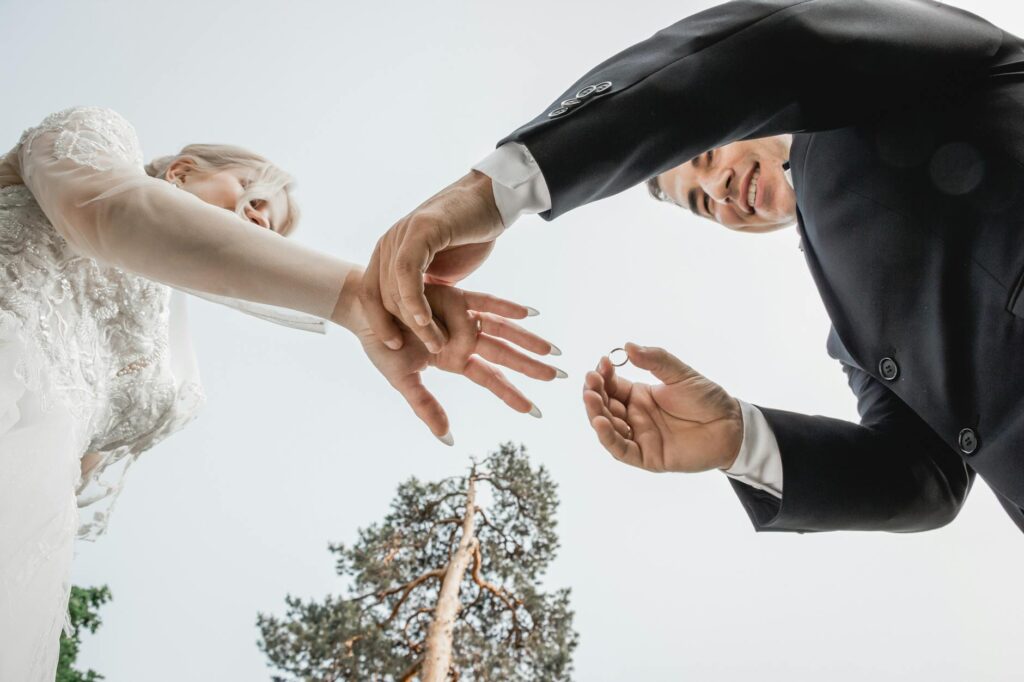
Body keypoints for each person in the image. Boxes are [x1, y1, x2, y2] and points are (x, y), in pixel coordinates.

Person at [362, 0, 1024, 534]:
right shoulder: (855, 331)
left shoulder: (910, 67)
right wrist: (739, 440)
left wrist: (497, 189)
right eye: (702, 205)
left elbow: (778, 46)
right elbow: (925, 482)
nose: (720, 193)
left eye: (707, 158)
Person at [0, 106, 562, 681]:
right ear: (181, 172)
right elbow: (112, 211)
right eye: (253, 193)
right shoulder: (93, 135)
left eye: (275, 226)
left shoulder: (170, 348)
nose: (264, 221)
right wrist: (355, 296)